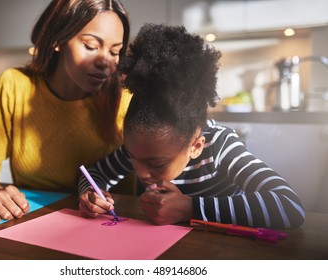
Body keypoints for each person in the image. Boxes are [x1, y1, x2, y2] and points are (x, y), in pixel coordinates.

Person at [78, 23, 305, 229]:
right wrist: (91, 195)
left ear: (196, 145)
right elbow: (94, 173)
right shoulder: (142, 149)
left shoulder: (220, 145)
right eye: (132, 157)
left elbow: (289, 205)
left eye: (156, 163)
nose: (140, 172)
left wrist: (189, 208)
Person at [0, 0, 131, 222]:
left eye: (116, 51)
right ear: (58, 40)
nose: (105, 62)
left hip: (112, 223)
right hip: (33, 220)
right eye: (91, 46)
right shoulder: (15, 85)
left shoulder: (126, 97)